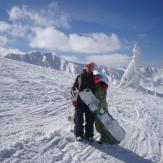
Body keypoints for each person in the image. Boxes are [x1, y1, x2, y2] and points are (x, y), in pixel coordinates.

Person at [71, 63, 95, 141]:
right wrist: (74, 99)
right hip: (80, 102)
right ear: (86, 68)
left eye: (92, 67)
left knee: (90, 119)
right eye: (89, 67)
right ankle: (78, 134)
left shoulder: (94, 78)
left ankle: (89, 135)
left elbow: (97, 89)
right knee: (78, 119)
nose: (91, 69)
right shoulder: (80, 77)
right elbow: (74, 88)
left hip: (90, 102)